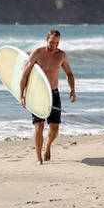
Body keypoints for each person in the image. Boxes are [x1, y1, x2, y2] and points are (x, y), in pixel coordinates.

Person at [19, 29, 76, 164]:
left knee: (54, 129)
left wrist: (72, 89)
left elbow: (69, 74)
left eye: (57, 43)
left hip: (54, 94)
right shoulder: (37, 53)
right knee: (39, 126)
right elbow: (25, 74)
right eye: (52, 42)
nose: (54, 45)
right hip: (38, 94)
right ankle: (39, 159)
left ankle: (48, 145)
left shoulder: (61, 55)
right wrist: (22, 94)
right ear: (46, 40)